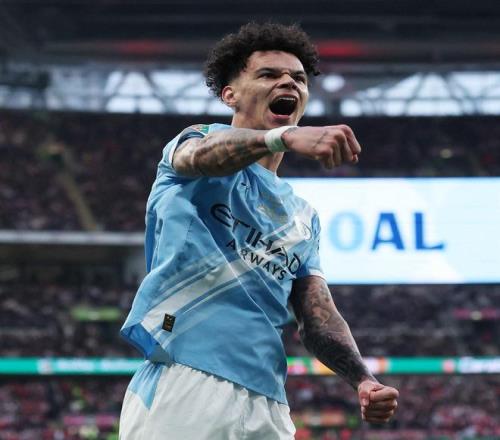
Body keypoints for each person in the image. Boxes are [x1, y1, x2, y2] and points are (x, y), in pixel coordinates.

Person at [119, 22, 398, 439]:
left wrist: (362, 378)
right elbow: (200, 156)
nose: (288, 82)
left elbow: (317, 316)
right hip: (186, 378)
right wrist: (281, 137)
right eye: (268, 74)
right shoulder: (197, 143)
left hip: (268, 400)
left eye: (298, 78)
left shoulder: (302, 217)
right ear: (229, 94)